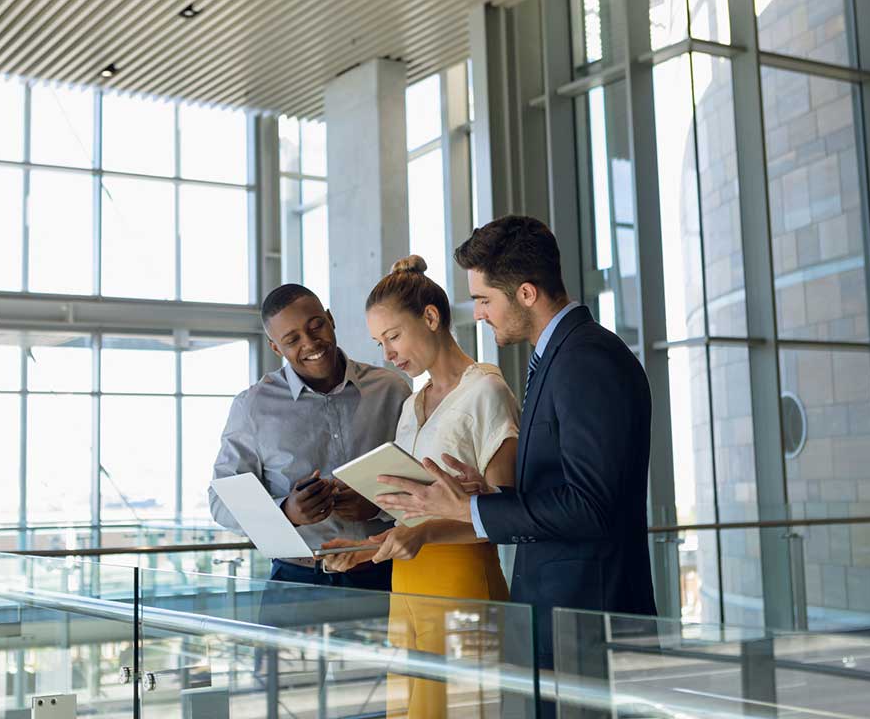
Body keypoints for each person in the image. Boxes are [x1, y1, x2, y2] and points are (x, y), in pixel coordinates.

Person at [372, 216, 657, 674]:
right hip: (560, 618)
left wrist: (471, 512)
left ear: (526, 293)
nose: (479, 313)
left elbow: (590, 507)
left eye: (484, 299)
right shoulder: (558, 357)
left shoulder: (587, 359)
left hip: (587, 622)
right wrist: (483, 496)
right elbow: (559, 488)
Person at [321, 255, 518, 719]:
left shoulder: (486, 392)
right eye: (379, 342)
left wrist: (420, 534)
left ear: (430, 318)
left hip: (462, 582)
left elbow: (503, 518)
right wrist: (369, 547)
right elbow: (418, 514)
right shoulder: (412, 405)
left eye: (393, 336)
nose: (387, 354)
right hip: (408, 583)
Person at [209, 283, 410, 592]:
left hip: (384, 572)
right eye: (292, 339)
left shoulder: (391, 390)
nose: (311, 342)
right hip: (297, 579)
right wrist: (286, 511)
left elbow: (424, 480)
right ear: (276, 347)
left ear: (330, 319)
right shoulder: (252, 406)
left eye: (316, 326)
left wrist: (378, 506)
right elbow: (221, 501)